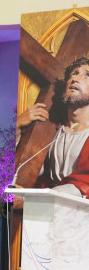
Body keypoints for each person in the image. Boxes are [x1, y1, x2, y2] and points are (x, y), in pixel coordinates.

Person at [20, 57, 89, 193]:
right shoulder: (51, 132)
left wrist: (28, 200)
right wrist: (17, 128)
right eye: (74, 74)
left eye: (87, 75)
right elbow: (28, 171)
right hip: (46, 210)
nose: (76, 79)